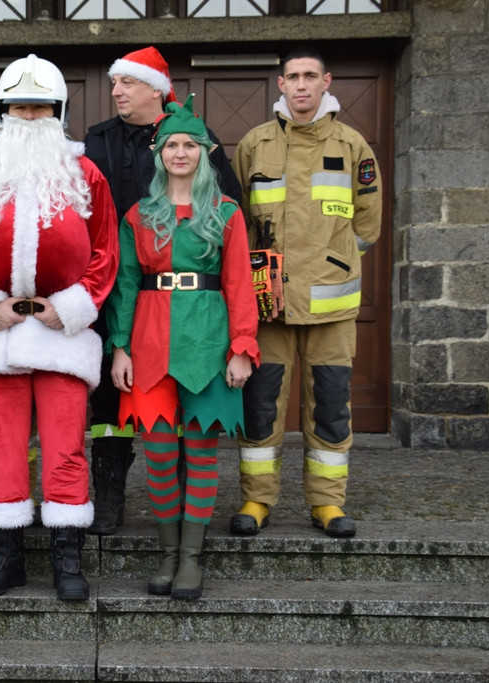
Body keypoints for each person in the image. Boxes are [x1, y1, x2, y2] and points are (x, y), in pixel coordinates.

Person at [0, 54, 119, 600]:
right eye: (19, 106)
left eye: (39, 105)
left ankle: (67, 559)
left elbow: (105, 254)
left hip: (62, 336)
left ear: (58, 111)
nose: (29, 115)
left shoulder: (86, 174)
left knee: (66, 446)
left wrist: (70, 306)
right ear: (3, 112)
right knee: (1, 446)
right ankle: (6, 556)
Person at [84, 46, 242, 535]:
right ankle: (108, 494)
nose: (116, 92)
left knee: (185, 414)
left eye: (126, 83)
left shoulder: (193, 136)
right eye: (115, 84)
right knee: (112, 404)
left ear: (155, 87)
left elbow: (227, 214)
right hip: (113, 283)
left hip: (188, 300)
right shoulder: (97, 139)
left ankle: (180, 514)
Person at [107, 96, 259, 600]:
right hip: (150, 344)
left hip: (209, 342)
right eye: (171, 144)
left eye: (189, 144)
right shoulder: (138, 215)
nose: (179, 152)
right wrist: (120, 348)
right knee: (158, 454)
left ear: (204, 152)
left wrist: (243, 346)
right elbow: (127, 285)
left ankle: (192, 559)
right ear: (159, 154)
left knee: (200, 453)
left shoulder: (227, 213)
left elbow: (239, 283)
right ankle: (168, 554)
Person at [230, 47, 382, 539]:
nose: (300, 85)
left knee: (332, 408)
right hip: (268, 306)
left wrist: (332, 260)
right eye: (292, 76)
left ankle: (327, 504)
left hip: (332, 307)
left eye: (309, 76)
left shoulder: (353, 145)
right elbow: (240, 223)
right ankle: (256, 500)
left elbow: (368, 224)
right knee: (260, 407)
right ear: (280, 84)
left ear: (326, 82)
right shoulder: (255, 143)